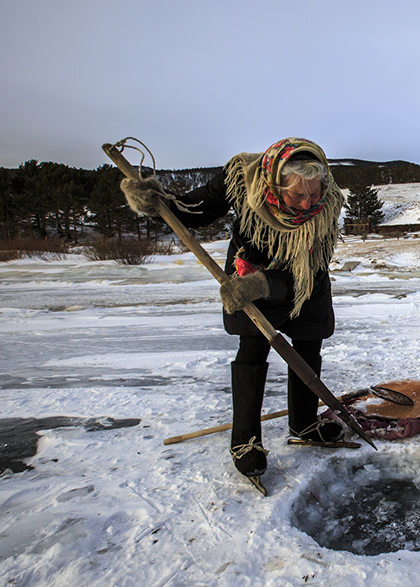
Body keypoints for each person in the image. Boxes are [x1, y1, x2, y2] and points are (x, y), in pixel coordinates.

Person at [120, 137, 345, 482]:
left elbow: (312, 267)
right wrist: (155, 201)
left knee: (308, 342)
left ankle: (305, 423)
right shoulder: (242, 177)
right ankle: (246, 441)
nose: (307, 203)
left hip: (302, 278)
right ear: (273, 183)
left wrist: (269, 284)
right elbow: (193, 210)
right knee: (252, 349)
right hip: (248, 273)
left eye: (313, 193)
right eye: (297, 195)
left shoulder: (326, 207)